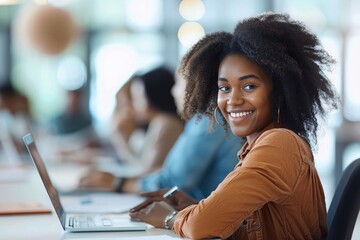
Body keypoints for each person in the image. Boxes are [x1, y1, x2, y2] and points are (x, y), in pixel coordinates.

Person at [129, 13, 340, 240]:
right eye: (224, 88)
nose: (233, 100)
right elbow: (255, 230)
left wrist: (169, 218)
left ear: (279, 93)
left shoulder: (279, 144)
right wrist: (193, 206)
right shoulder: (257, 145)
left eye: (249, 86)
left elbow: (201, 226)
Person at [78, 69, 243, 200]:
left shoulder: (206, 121)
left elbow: (171, 182)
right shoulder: (206, 120)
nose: (174, 90)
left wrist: (117, 182)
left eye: (178, 81)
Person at [79, 66, 184, 185]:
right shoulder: (158, 123)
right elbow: (140, 166)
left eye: (138, 98)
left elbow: (146, 172)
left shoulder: (165, 123)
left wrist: (114, 181)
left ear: (152, 96)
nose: (134, 104)